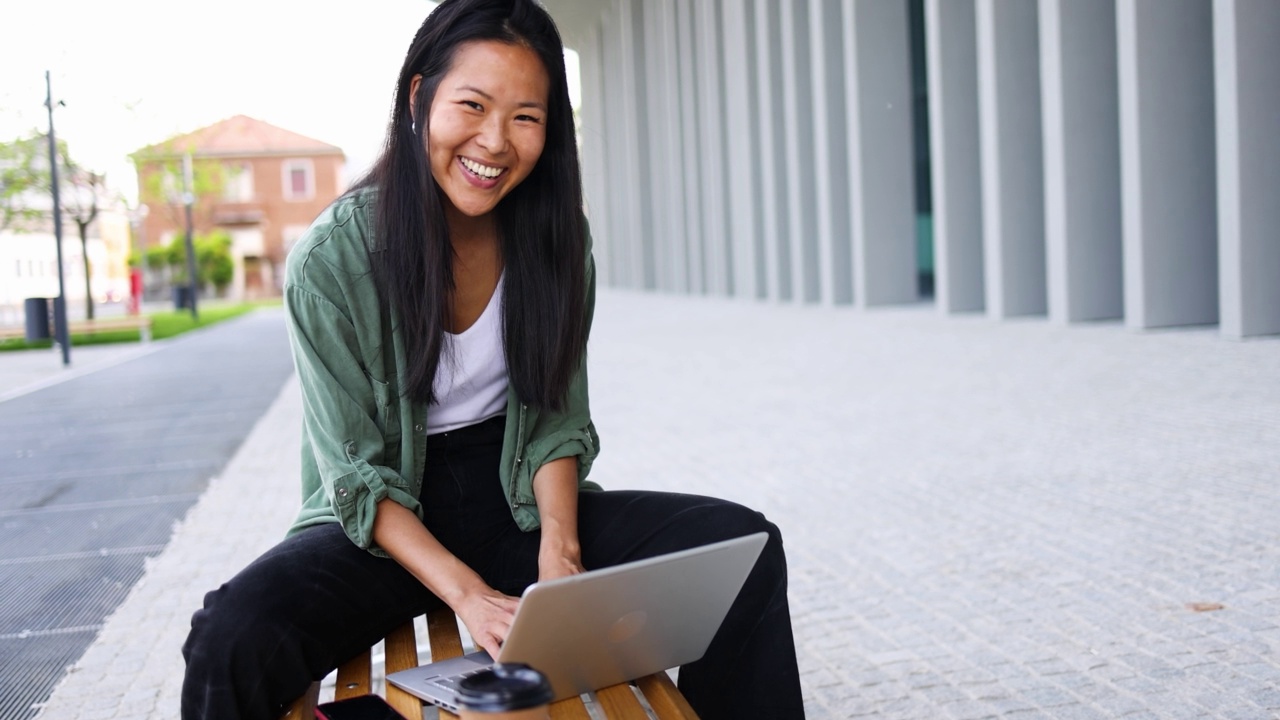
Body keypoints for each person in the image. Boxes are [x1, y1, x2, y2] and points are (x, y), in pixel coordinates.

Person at [180, 1, 804, 718]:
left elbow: (556, 423)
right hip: (380, 526)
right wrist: (467, 596)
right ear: (420, 99)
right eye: (472, 105)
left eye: (526, 117)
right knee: (230, 636)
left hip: (516, 508)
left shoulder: (557, 240)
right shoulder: (333, 259)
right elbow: (354, 477)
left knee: (743, 548)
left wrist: (561, 561)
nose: (495, 142)